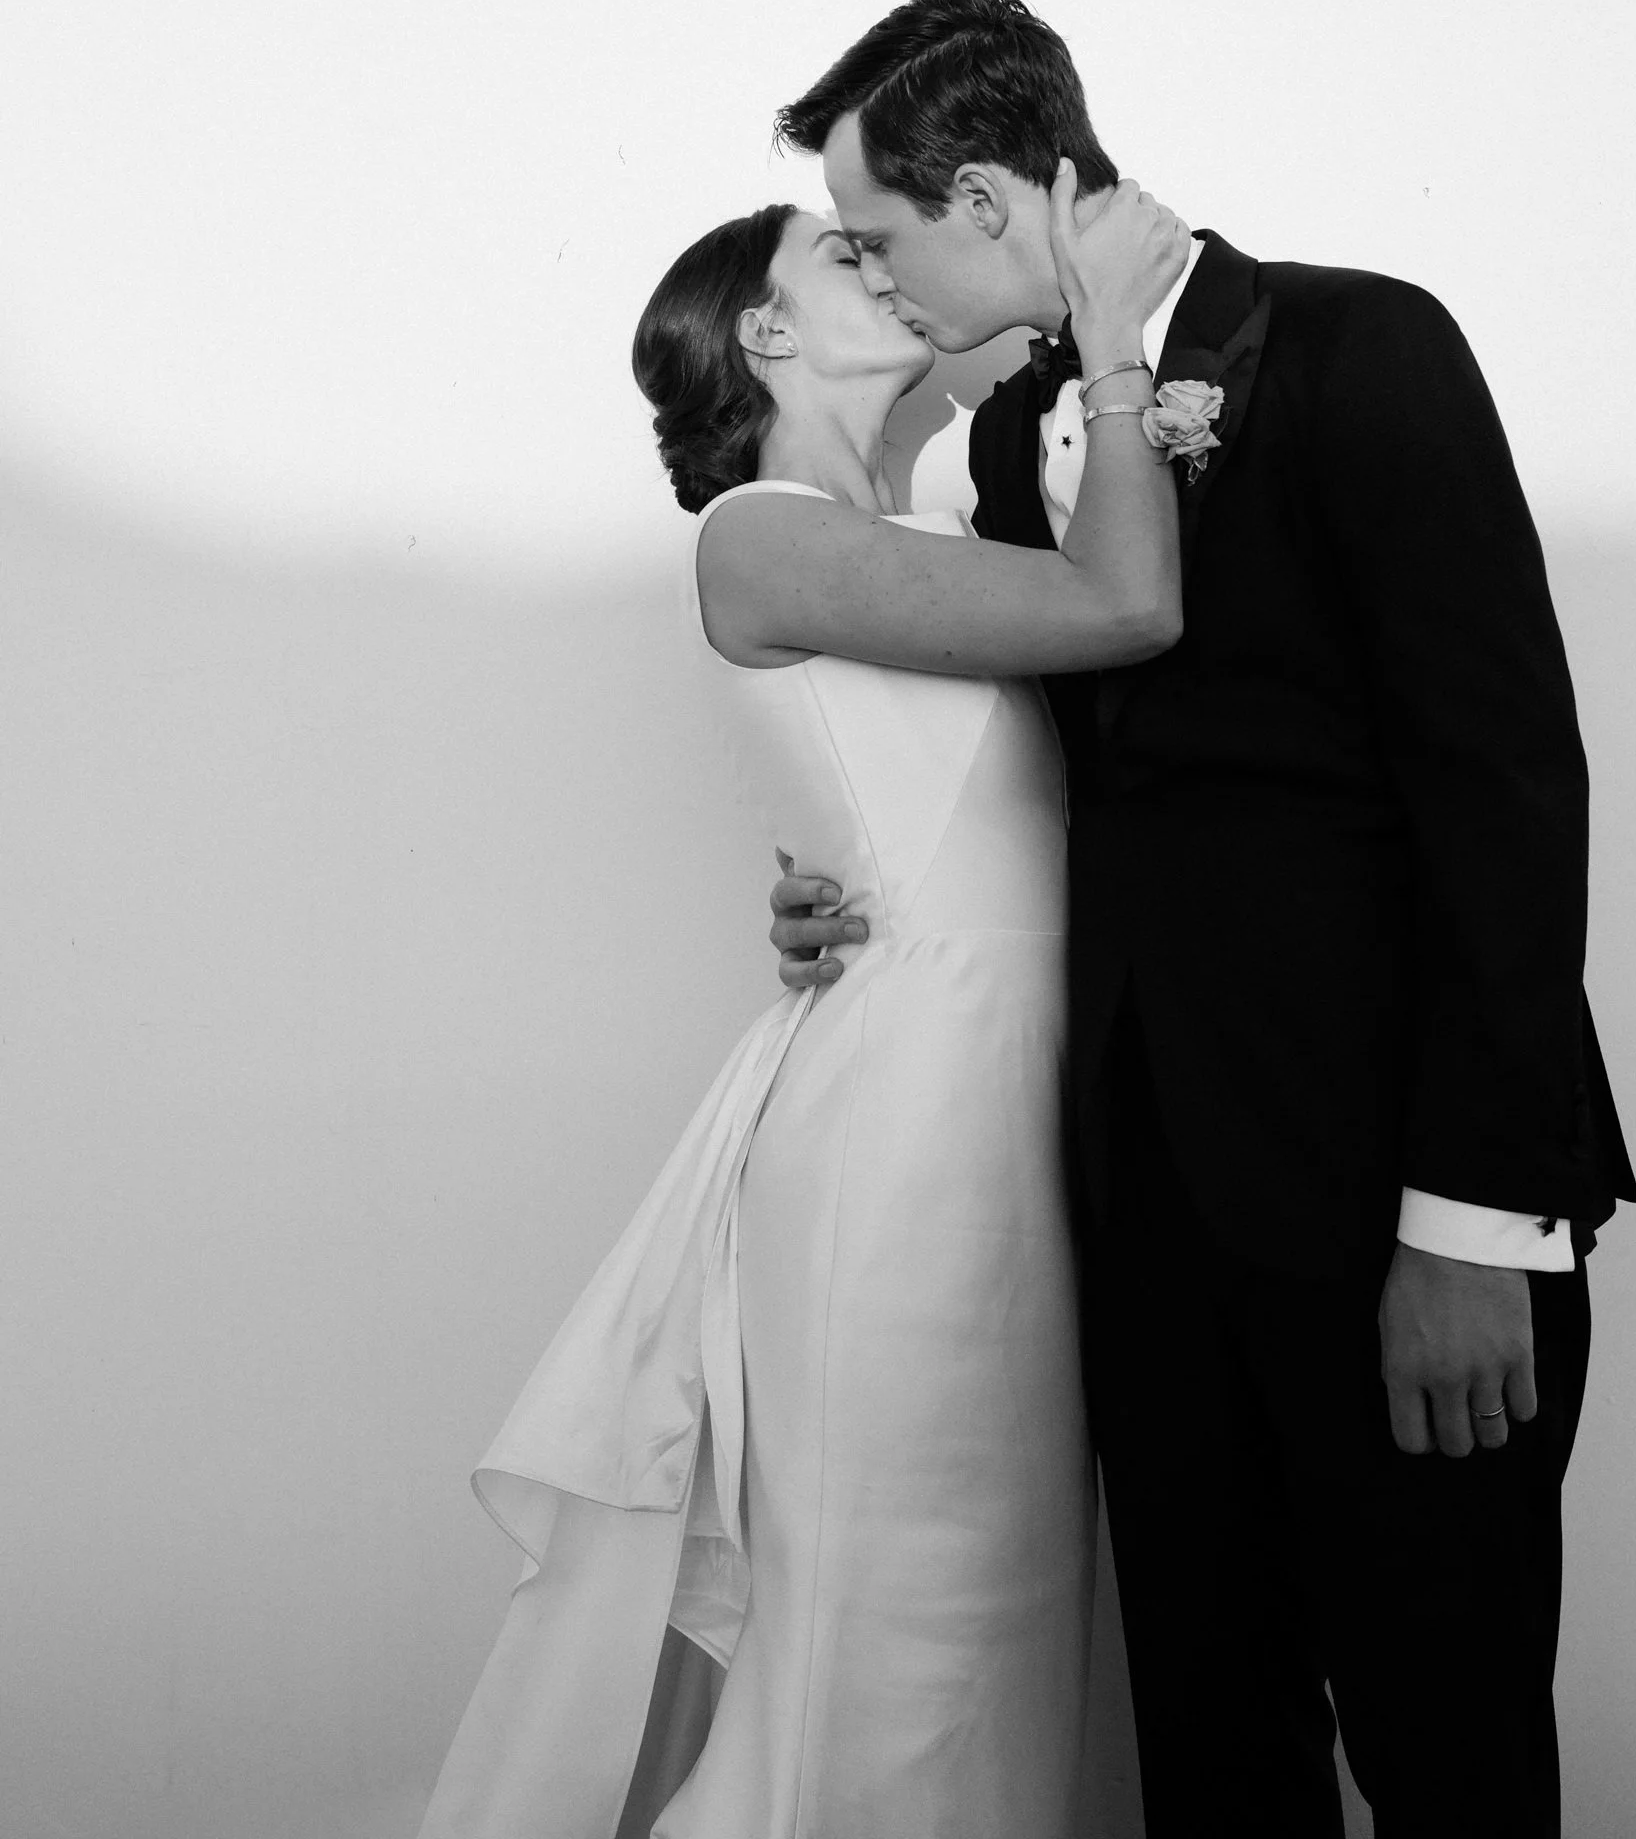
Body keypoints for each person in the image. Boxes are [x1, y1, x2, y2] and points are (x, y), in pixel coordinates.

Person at [767, 0, 1636, 1838]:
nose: (878, 272)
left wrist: (1471, 1226)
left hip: (1400, 1211)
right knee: (1212, 1758)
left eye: (885, 231)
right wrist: (849, 894)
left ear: (996, 198)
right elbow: (1034, 789)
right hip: (1146, 1226)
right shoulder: (1008, 454)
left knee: (1452, 1753)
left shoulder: (1358, 346)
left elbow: (1507, 791)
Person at [416, 168, 1191, 1839]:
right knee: (891, 1615)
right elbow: (1125, 608)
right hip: (901, 1132)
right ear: (768, 330)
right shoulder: (758, 534)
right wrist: (1117, 344)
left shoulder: (936, 535)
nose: (890, 267)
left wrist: (835, 880)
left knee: (1002, 1599)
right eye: (847, 251)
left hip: (1013, 1108)